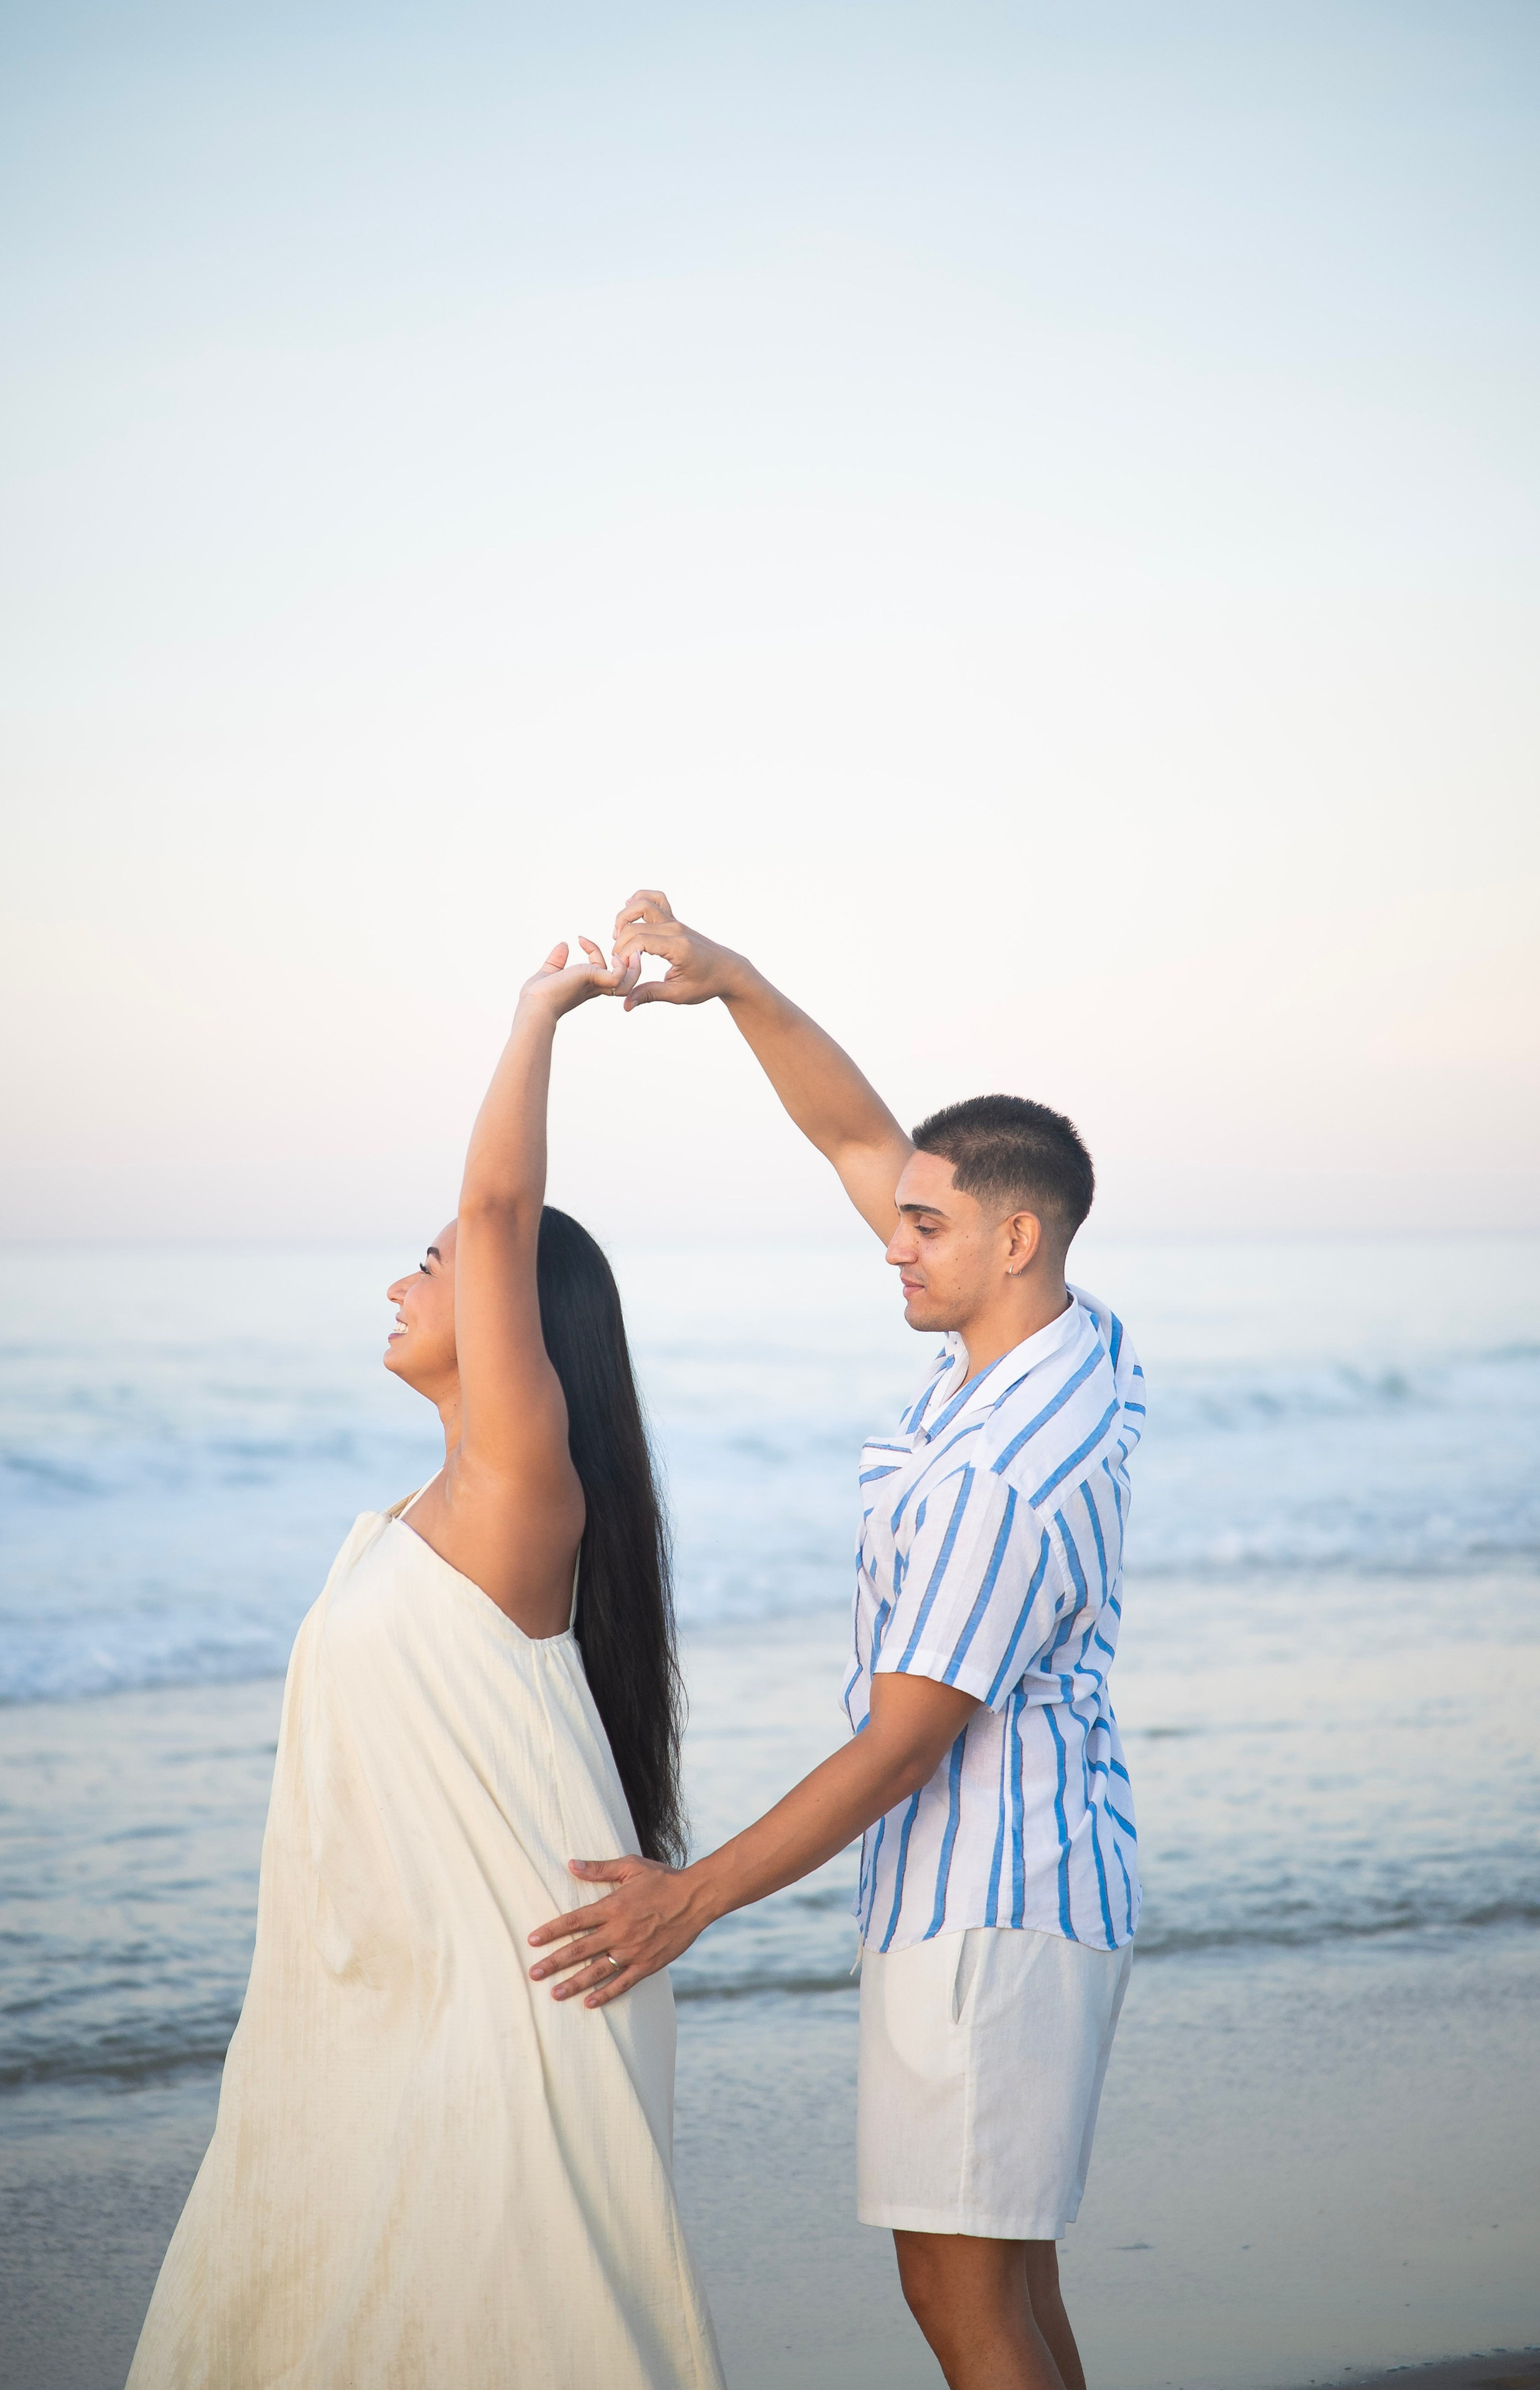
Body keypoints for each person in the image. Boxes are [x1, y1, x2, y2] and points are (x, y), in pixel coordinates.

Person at [529, 892, 1144, 2390]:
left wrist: (691, 1900)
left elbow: (902, 1744)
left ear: (1013, 1236)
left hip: (990, 1903)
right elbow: (855, 1136)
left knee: (959, 2297)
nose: (891, 1244)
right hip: (1021, 1882)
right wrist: (736, 983)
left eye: (923, 1228)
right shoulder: (1060, 1338)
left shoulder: (1005, 1468)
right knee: (1001, 2280)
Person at [127, 937, 726, 2390]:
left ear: (519, 1312)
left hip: (508, 2003)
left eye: (435, 1261)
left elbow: (498, 1201)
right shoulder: (416, 1519)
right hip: (381, 2009)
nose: (401, 1281)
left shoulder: (524, 1491)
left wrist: (541, 1013)